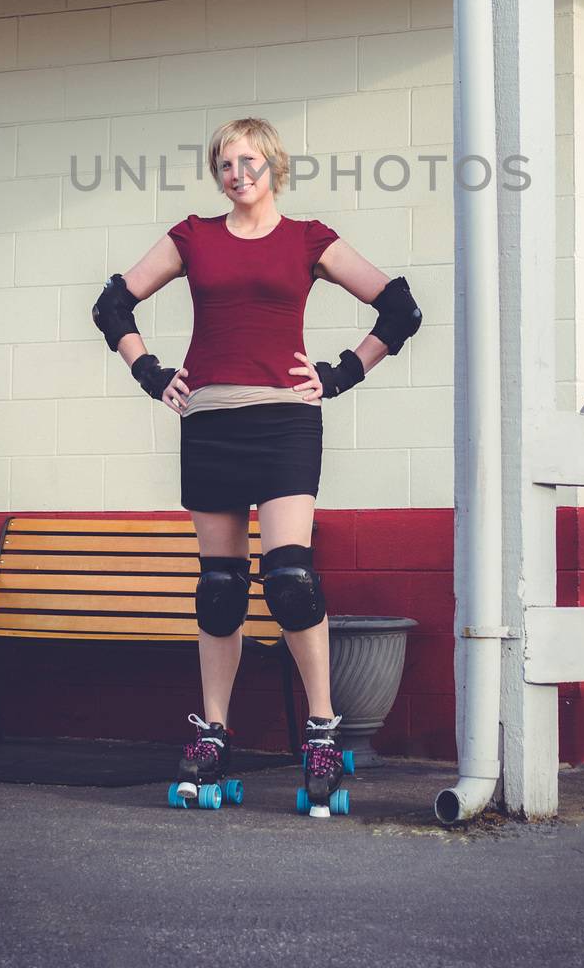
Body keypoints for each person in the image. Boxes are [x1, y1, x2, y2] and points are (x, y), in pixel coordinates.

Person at [91, 116, 422, 815]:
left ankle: (323, 732)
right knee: (218, 589)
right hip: (210, 424)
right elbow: (112, 302)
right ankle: (213, 734)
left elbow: (399, 308)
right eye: (224, 164)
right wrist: (151, 373)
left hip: (283, 423)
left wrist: (338, 375)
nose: (237, 174)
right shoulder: (192, 237)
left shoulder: (309, 239)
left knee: (290, 580)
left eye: (248, 161)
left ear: (274, 164)